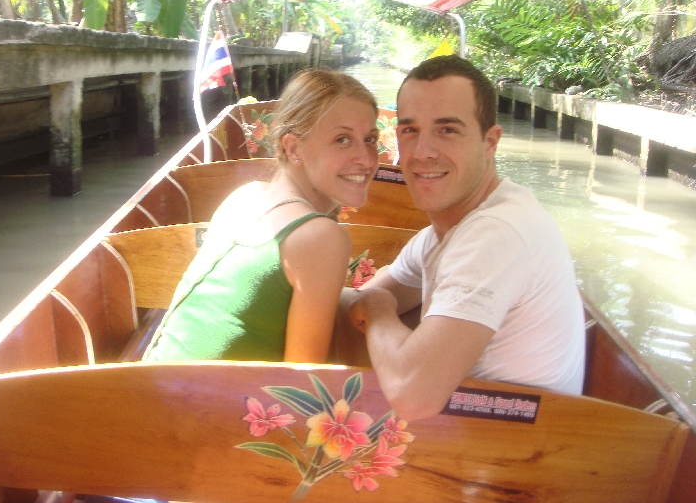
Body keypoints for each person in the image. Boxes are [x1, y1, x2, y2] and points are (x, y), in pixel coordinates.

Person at [343, 55, 585, 421]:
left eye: (447, 130)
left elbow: (412, 393)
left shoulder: (497, 233)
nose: (422, 152)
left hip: (514, 460)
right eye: (410, 130)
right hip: (470, 440)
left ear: (490, 141)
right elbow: (358, 306)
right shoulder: (438, 237)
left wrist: (378, 309)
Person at [145, 69, 380, 364]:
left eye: (370, 139)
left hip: (152, 378)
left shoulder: (247, 195)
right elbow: (301, 378)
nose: (367, 158)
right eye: (342, 140)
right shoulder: (322, 237)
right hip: (193, 404)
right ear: (292, 147)